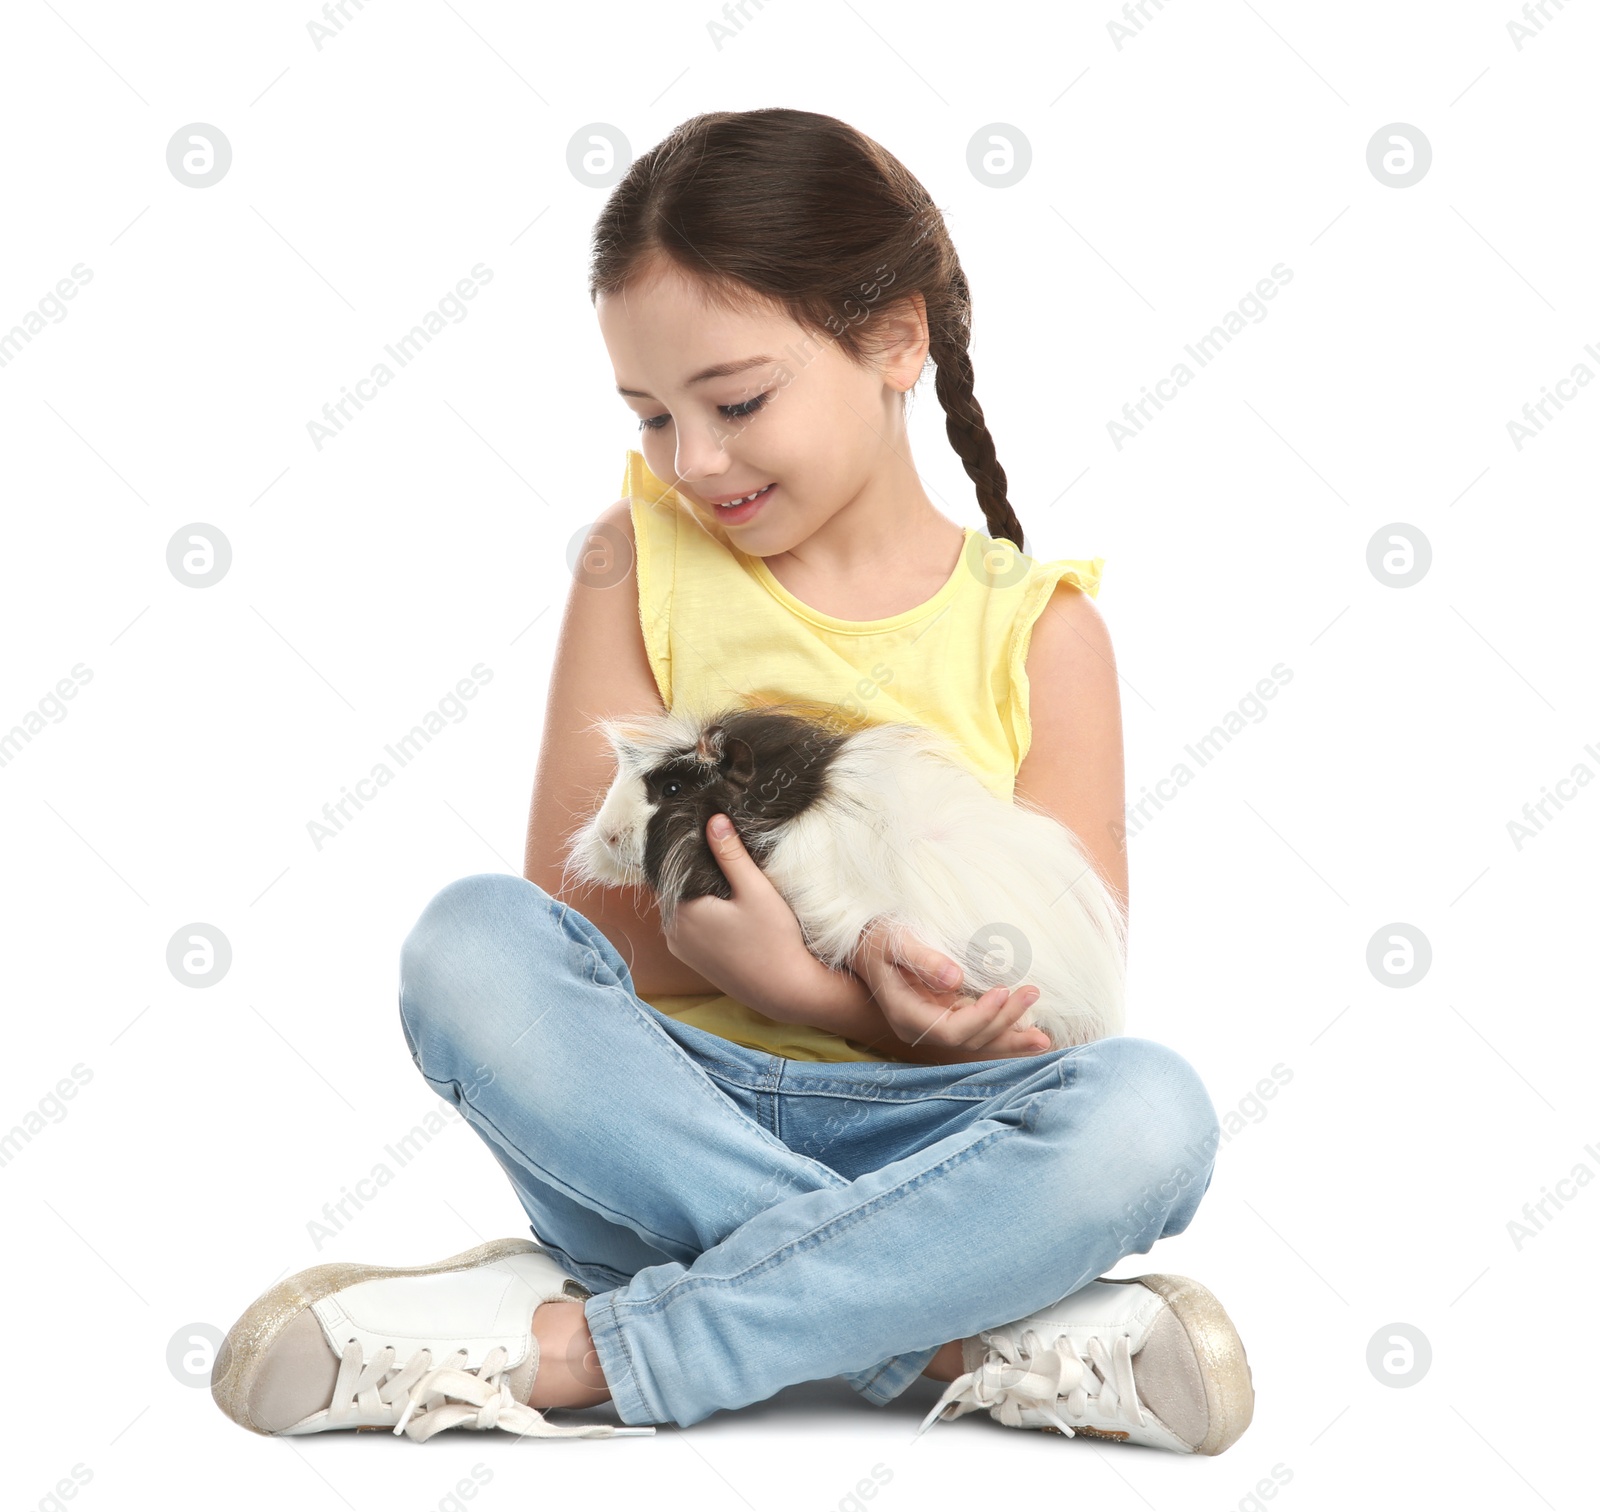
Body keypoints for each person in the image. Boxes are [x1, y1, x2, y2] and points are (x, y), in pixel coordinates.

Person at [210, 107, 1254, 1453]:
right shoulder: (633, 562)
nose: (693, 462)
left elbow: (1065, 1017)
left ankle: (596, 1348)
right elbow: (578, 930)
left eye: (737, 402)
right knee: (468, 945)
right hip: (661, 1111)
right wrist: (761, 993)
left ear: (895, 341)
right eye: (651, 416)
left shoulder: (1042, 633)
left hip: (933, 1130)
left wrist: (827, 998)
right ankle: (945, 1324)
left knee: (1151, 1115)